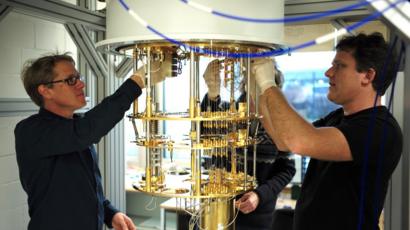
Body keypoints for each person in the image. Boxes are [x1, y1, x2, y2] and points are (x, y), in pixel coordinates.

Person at [253, 32, 403, 230]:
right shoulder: (338, 118)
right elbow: (283, 140)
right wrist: (256, 84)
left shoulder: (380, 129)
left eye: (339, 66)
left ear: (368, 76)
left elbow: (299, 140)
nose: (329, 72)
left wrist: (268, 84)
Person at [15, 53, 168, 230]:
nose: (81, 84)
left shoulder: (75, 129)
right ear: (45, 90)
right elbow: (90, 128)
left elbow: (83, 191)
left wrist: (110, 214)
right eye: (71, 80)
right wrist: (138, 80)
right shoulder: (31, 131)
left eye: (78, 77)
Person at [201, 59, 296, 230]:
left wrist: (259, 195)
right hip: (216, 205)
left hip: (255, 215)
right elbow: (206, 134)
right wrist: (212, 92)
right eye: (250, 73)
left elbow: (287, 169)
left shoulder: (280, 119)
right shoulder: (233, 110)